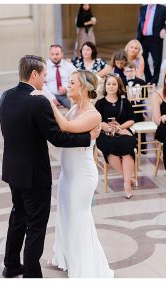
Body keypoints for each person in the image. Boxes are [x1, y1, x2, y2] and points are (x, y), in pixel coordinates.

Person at [0, 55, 95, 278]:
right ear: (34, 74)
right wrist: (87, 138)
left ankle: (11, 265)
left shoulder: (5, 96)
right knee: (36, 225)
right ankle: (32, 274)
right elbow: (57, 138)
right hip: (34, 174)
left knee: (17, 215)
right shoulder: (37, 101)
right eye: (43, 75)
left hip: (12, 170)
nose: (45, 80)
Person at [45, 70, 114, 278]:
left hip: (82, 176)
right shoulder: (74, 108)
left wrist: (49, 102)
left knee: (79, 217)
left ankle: (84, 266)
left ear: (84, 87)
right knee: (66, 215)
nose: (68, 85)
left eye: (72, 82)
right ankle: (67, 257)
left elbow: (65, 126)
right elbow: (60, 129)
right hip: (68, 174)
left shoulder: (94, 115)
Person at [94, 74, 139, 199]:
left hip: (122, 131)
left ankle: (127, 186)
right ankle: (129, 179)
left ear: (118, 86)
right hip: (105, 134)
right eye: (109, 84)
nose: (111, 86)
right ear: (105, 86)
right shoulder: (100, 103)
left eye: (114, 84)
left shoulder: (124, 102)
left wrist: (121, 128)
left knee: (128, 147)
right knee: (110, 148)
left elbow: (131, 120)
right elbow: (97, 120)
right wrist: (106, 127)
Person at [136, 4, 166, 83]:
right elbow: (140, 23)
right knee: (142, 59)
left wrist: (164, 29)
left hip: (155, 39)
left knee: (157, 61)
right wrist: (137, 37)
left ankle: (154, 81)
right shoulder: (142, 8)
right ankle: (148, 78)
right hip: (143, 38)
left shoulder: (162, 9)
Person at [43, 44, 75, 109]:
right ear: (49, 54)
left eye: (57, 54)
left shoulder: (69, 66)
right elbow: (42, 85)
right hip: (49, 95)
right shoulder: (44, 66)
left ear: (62, 54)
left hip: (66, 95)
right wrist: (51, 98)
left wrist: (66, 89)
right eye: (52, 54)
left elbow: (76, 80)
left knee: (74, 108)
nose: (55, 56)